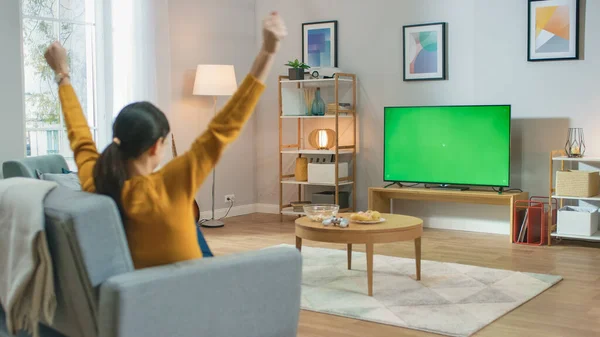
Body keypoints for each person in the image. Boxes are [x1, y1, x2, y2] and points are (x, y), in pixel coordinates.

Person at [43, 12, 287, 269]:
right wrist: (268, 52)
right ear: (155, 147)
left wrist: (63, 73)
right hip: (187, 291)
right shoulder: (171, 185)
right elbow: (224, 127)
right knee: (191, 228)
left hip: (135, 293)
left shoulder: (95, 180)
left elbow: (80, 137)